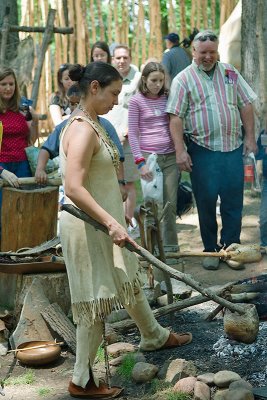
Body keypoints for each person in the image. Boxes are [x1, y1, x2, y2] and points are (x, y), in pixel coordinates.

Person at [59, 62, 192, 398]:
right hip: (87, 227)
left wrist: (119, 207)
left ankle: (153, 335)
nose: (117, 101)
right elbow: (74, 187)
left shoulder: (94, 123)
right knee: (94, 298)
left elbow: (99, 177)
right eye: (113, 93)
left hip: (104, 222)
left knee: (126, 275)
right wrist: (110, 221)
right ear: (94, 88)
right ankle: (82, 380)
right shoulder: (82, 128)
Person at [166, 30, 257, 271]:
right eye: (203, 52)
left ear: (218, 51)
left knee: (233, 202)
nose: (208, 57)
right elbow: (175, 117)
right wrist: (180, 151)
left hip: (232, 149)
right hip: (202, 150)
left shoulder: (229, 72)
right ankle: (210, 250)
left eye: (212, 52)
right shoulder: (183, 79)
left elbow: (246, 104)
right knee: (206, 203)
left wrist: (249, 138)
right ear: (193, 52)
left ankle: (232, 249)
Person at [35, 85, 126, 202]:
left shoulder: (105, 125)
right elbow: (46, 149)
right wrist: (40, 169)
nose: (75, 107)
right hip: (77, 191)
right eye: (72, 104)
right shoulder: (63, 127)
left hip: (104, 186)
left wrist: (120, 182)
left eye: (78, 103)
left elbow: (119, 158)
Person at [128, 61, 180, 254]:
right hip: (149, 158)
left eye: (161, 80)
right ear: (144, 80)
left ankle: (171, 249)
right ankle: (152, 248)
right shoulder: (136, 101)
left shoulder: (168, 97)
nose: (157, 84)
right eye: (153, 80)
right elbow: (133, 133)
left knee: (170, 205)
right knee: (151, 205)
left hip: (170, 157)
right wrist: (140, 162)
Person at [104, 45, 141, 238]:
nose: (121, 61)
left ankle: (129, 221)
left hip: (128, 138)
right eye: (118, 57)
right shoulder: (107, 78)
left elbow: (140, 107)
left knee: (129, 183)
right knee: (110, 182)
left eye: (125, 57)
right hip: (106, 137)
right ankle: (113, 222)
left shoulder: (137, 78)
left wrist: (129, 130)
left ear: (130, 58)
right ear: (112, 59)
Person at [0, 66, 38, 199]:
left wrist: (35, 121)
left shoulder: (22, 108)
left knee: (24, 210)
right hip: (2, 166)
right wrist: (2, 171)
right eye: (3, 84)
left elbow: (31, 140)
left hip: (23, 164)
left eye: (11, 84)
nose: (8, 88)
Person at [256, 130, 267, 247]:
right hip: (266, 180)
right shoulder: (264, 134)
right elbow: (258, 154)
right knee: (264, 218)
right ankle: (265, 244)